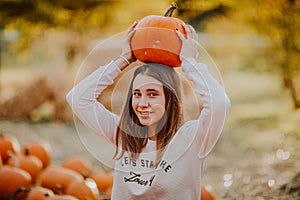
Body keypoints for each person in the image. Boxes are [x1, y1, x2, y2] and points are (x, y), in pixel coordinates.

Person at [66, 21, 231, 199]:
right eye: (137, 94)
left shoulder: (193, 139)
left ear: (170, 99)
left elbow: (220, 103)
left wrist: (189, 63)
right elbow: (78, 98)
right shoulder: (122, 134)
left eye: (152, 94)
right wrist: (123, 60)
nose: (142, 103)